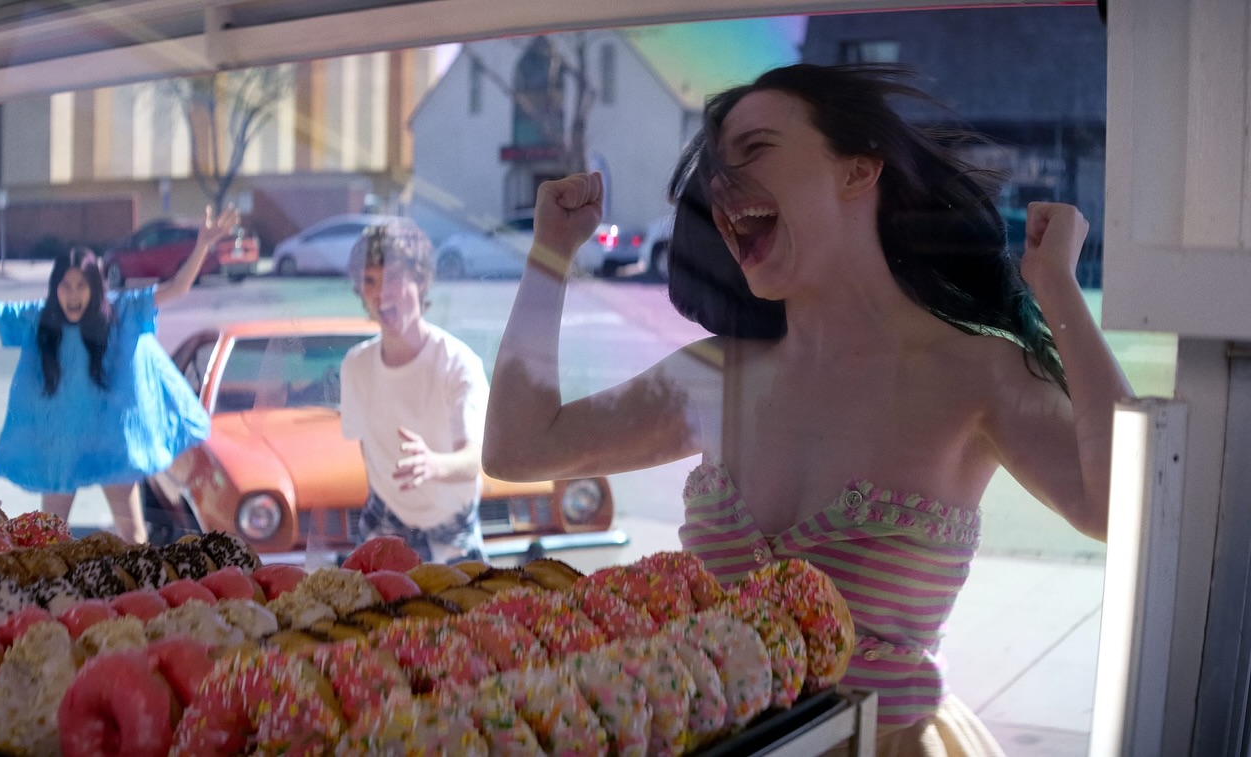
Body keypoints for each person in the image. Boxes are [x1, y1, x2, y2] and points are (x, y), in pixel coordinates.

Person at [483, 63, 1132, 754]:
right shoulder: (715, 375)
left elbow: (1119, 509)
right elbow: (519, 449)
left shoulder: (977, 374)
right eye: (715, 170)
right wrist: (550, 253)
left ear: (858, 170)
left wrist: (1057, 290)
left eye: (755, 148)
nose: (721, 185)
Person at [0, 206, 236, 542]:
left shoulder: (123, 311)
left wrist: (203, 244)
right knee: (49, 534)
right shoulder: (39, 318)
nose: (73, 294)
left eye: (81, 285)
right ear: (54, 288)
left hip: (113, 442)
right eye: (65, 286)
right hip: (62, 442)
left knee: (133, 534)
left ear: (95, 287)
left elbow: (177, 287)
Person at [339, 220, 489, 564]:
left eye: (393, 277)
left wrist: (433, 464)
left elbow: (475, 460)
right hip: (383, 530)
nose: (381, 293)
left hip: (453, 541)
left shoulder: (458, 362)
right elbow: (367, 454)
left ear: (421, 280)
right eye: (369, 281)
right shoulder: (355, 365)